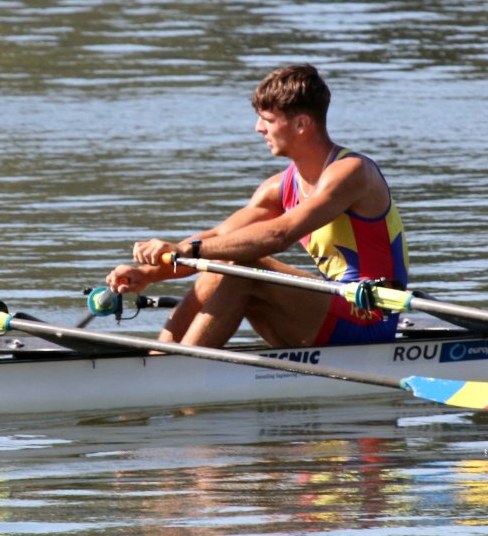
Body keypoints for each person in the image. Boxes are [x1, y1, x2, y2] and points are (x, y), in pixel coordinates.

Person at [106, 64, 407, 349]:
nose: (257, 128)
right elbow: (219, 236)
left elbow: (280, 235)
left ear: (302, 123)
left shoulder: (352, 173)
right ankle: (162, 359)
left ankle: (176, 374)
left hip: (370, 317)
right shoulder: (278, 187)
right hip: (328, 315)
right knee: (226, 255)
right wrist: (147, 273)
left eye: (268, 119)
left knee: (245, 264)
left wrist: (187, 250)